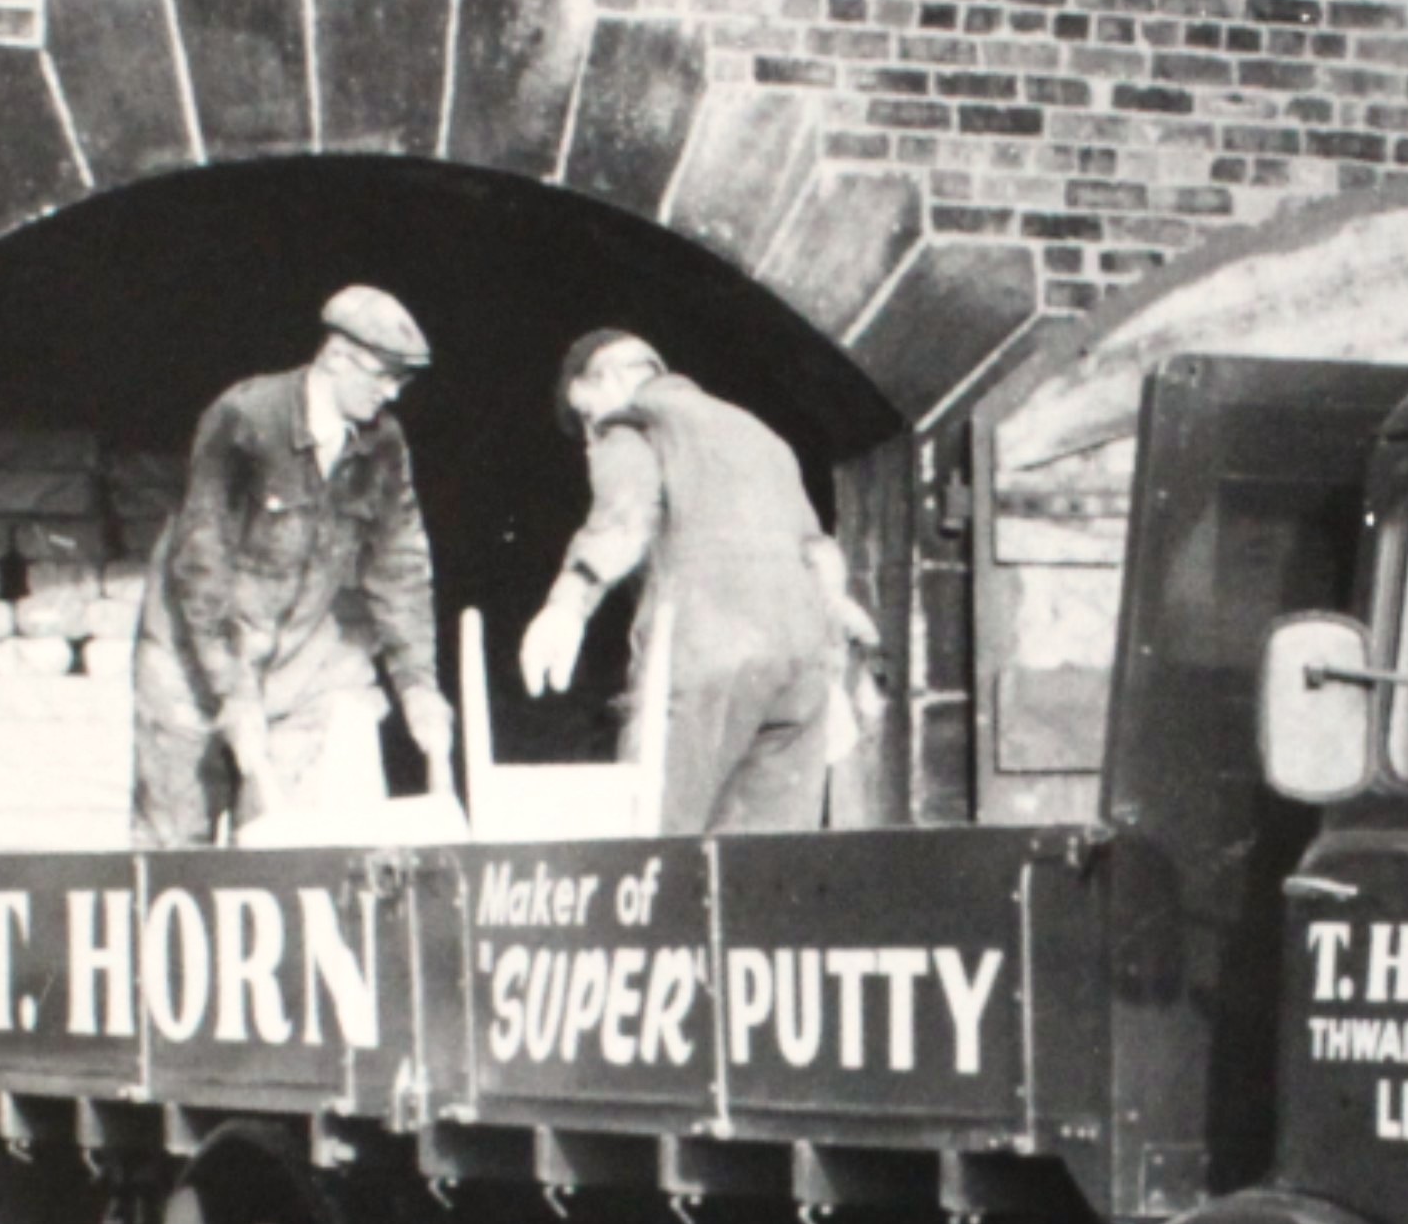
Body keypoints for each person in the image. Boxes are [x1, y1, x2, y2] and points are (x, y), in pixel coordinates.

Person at [131, 284, 454, 846]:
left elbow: (399, 564)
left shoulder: (382, 443)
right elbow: (201, 564)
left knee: (291, 839)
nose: (392, 395)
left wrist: (418, 683)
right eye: (383, 376)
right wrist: (233, 691)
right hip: (190, 646)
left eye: (401, 381)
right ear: (336, 358)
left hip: (293, 654)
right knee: (175, 834)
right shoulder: (246, 418)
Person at [518, 329, 878, 834]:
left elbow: (623, 522)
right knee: (763, 867)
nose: (588, 440)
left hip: (706, 655)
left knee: (656, 851)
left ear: (604, 383)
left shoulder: (632, 424)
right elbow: (818, 551)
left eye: (584, 420)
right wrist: (834, 650)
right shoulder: (759, 433)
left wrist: (567, 604)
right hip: (802, 667)